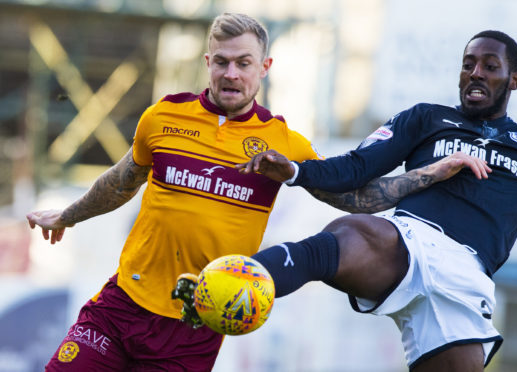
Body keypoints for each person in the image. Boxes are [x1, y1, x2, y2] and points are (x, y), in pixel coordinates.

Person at [26, 13, 489, 371]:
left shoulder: (284, 144)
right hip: (121, 304)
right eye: (222, 62)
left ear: (263, 68)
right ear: (207, 63)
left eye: (243, 63)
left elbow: (358, 198)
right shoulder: (162, 118)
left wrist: (435, 171)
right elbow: (121, 181)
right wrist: (67, 215)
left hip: (194, 324)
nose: (231, 73)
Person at [237, 30, 517, 371]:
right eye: (468, 64)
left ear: (513, 79)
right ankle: (236, 280)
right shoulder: (425, 119)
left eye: (490, 66)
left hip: (466, 278)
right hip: (409, 242)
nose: (476, 73)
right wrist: (296, 171)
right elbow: (355, 168)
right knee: (344, 236)